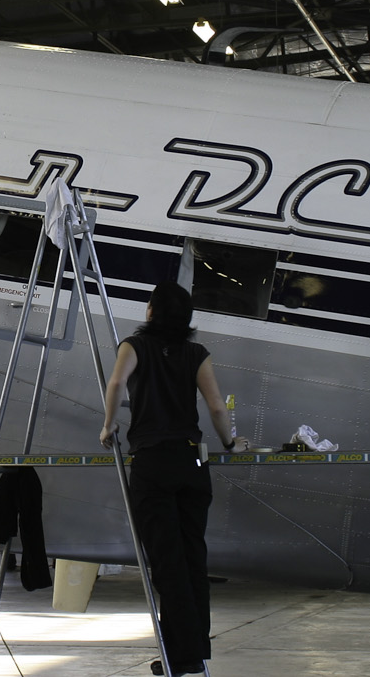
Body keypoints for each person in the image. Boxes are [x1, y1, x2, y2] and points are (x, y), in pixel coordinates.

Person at [99, 281, 246, 676]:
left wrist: (108, 425)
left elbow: (115, 384)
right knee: (193, 557)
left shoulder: (133, 346)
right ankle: (195, 651)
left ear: (151, 311)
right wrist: (230, 442)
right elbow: (216, 406)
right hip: (192, 462)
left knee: (168, 563)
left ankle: (179, 658)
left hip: (153, 463)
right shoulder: (197, 353)